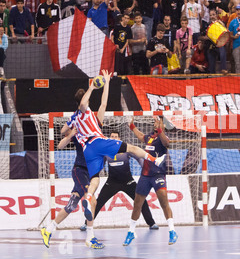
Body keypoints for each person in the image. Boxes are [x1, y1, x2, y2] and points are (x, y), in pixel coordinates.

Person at [64, 70, 166, 244]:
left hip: (93, 156)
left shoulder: (76, 119)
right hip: (100, 150)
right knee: (133, 148)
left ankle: (87, 200)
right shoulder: (90, 117)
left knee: (95, 182)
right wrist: (103, 84)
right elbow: (100, 104)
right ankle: (154, 159)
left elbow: (65, 130)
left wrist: (68, 133)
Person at [80, 131, 159, 232]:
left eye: (116, 137)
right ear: (109, 138)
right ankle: (87, 223)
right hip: (112, 182)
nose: (113, 138)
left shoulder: (125, 149)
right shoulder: (106, 151)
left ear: (119, 138)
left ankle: (151, 223)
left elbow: (138, 157)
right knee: (98, 202)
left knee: (141, 200)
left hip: (128, 181)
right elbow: (99, 164)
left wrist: (145, 167)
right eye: (112, 136)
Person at [41, 125, 104, 249]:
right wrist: (70, 134)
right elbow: (59, 146)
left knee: (71, 206)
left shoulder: (96, 135)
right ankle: (90, 238)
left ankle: (48, 230)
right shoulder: (78, 134)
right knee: (93, 201)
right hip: (80, 171)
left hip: (91, 173)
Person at [124, 116, 177, 246]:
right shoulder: (150, 137)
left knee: (164, 201)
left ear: (163, 126)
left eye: (158, 122)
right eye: (154, 122)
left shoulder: (163, 138)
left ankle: (172, 231)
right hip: (145, 176)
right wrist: (132, 126)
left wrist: (160, 130)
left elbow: (167, 143)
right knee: (137, 204)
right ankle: (131, 232)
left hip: (158, 175)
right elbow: (141, 136)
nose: (155, 124)